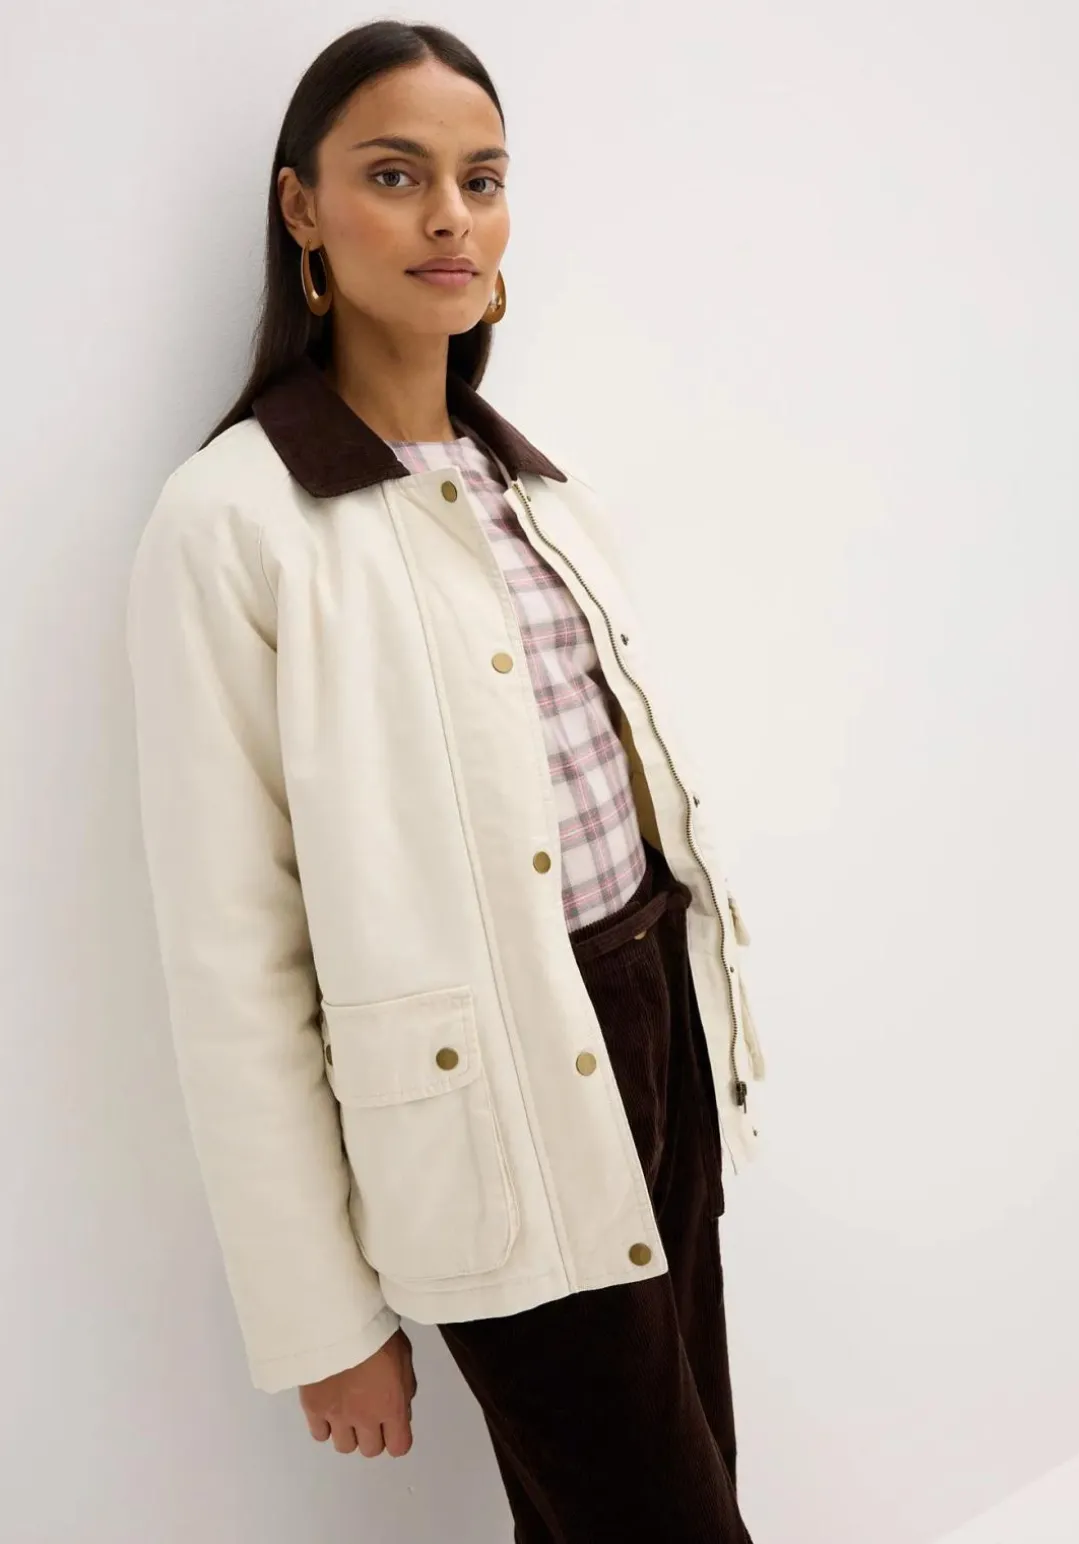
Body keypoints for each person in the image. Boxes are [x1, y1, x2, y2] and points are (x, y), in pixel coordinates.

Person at [125, 19, 766, 1542]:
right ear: (302, 208)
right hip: (489, 1103)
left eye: (481, 180)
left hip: (654, 1036)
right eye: (395, 175)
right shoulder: (234, 523)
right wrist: (320, 1315)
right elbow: (231, 957)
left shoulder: (537, 490)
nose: (448, 220)